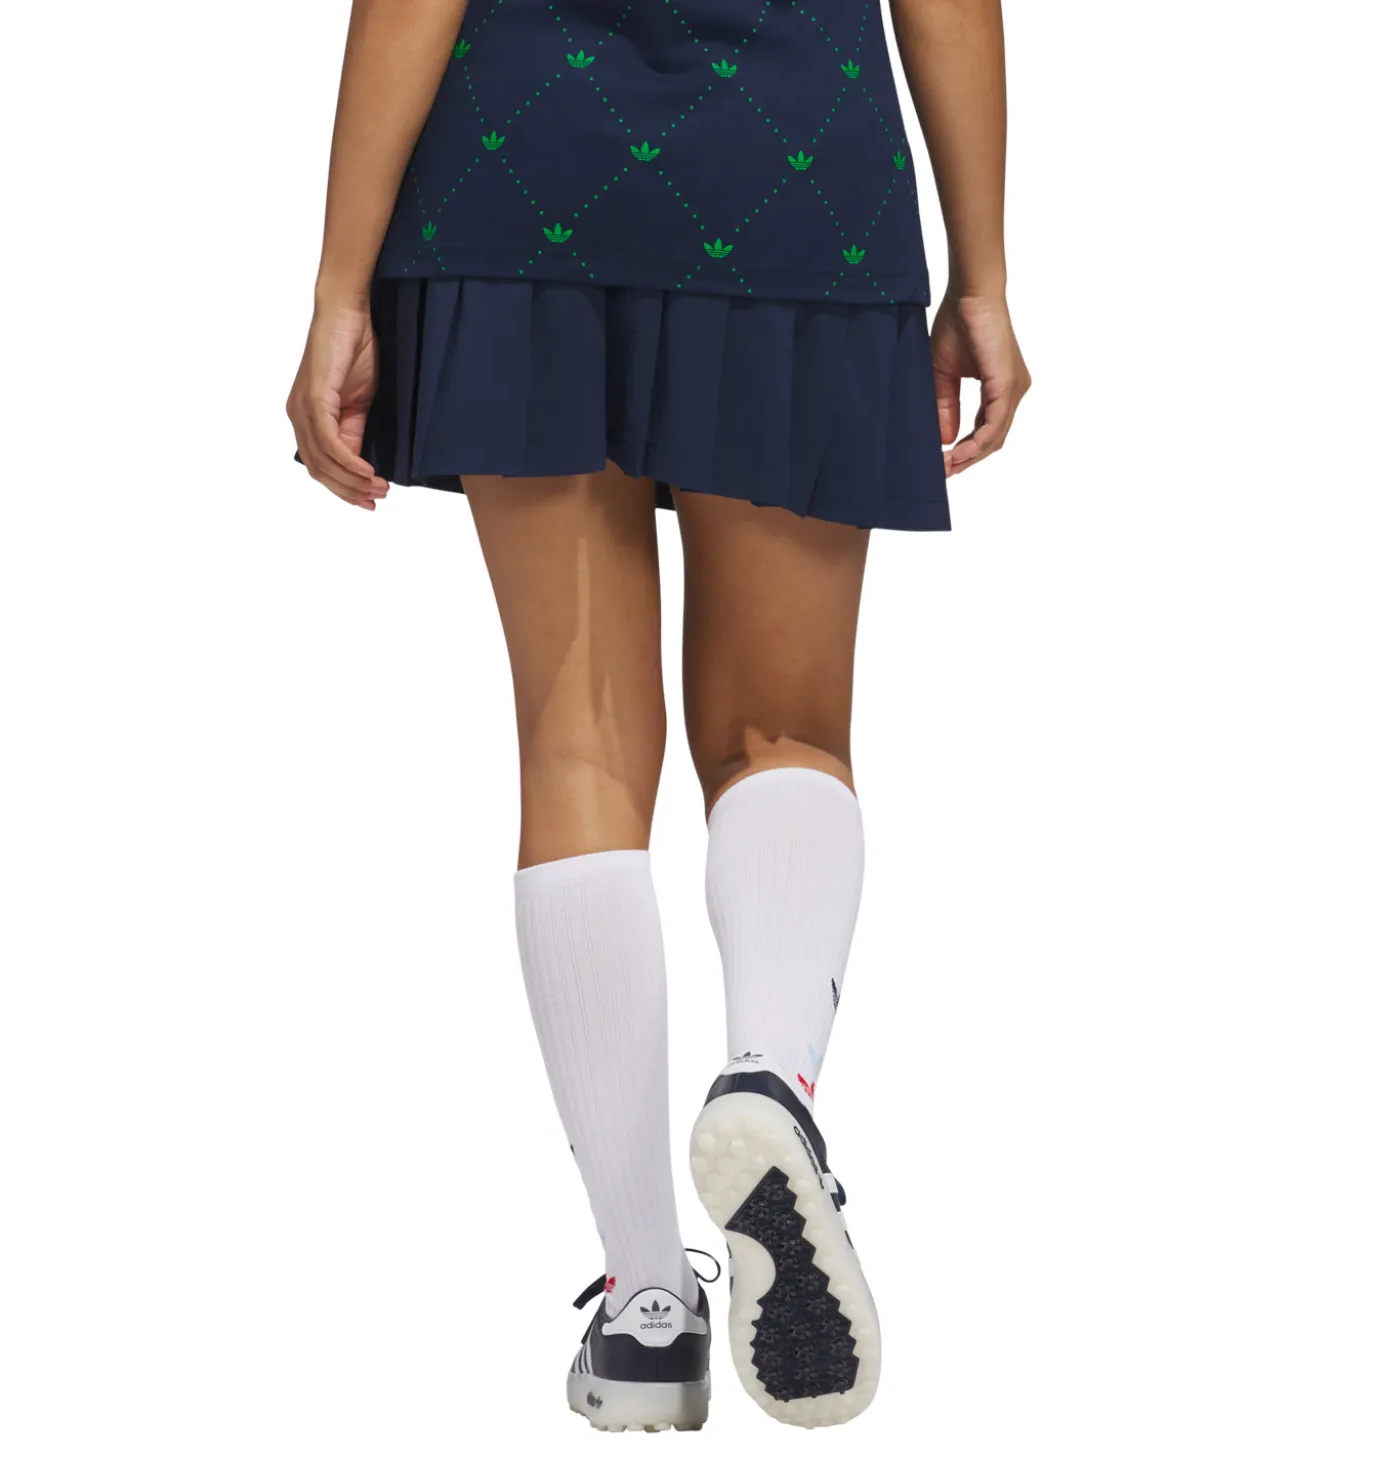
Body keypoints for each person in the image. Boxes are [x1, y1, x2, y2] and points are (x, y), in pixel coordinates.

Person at [287, 0, 1029, 1432]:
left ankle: (644, 1310)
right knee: (781, 732)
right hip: (795, 171)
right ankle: (770, 1078)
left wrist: (338, 285)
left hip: (521, 176)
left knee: (575, 739)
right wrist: (983, 267)